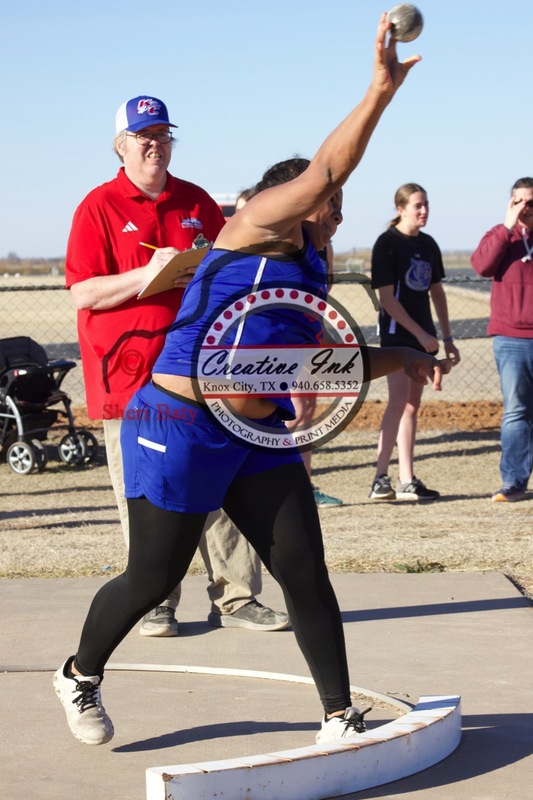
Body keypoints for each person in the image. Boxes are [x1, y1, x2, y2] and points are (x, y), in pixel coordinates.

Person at [55, 15, 450, 747]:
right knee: (151, 578)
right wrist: (378, 92)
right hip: (176, 423)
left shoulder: (311, 265)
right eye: (326, 203)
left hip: (254, 433)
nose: (336, 210)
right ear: (293, 200)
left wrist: (402, 355)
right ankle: (79, 673)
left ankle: (339, 717)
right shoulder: (258, 224)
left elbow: (303, 366)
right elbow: (328, 168)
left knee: (304, 567)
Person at [65, 94, 288, 637]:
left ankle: (236, 597)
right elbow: (83, 293)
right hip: (130, 377)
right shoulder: (97, 207)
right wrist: (148, 274)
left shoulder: (195, 201)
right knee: (145, 495)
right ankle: (155, 598)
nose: (155, 145)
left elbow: (232, 261)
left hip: (202, 371)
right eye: (144, 136)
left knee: (222, 482)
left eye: (163, 135)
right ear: (121, 146)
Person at [237, 179, 343, 507]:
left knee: (305, 409)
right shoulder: (250, 247)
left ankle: (302, 484)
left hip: (302, 336)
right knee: (289, 412)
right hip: (259, 354)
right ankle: (275, 482)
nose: (337, 218)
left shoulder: (318, 248)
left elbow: (320, 291)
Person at [368, 183, 460, 502]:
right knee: (397, 401)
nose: (423, 211)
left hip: (424, 336)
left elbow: (436, 292)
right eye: (417, 205)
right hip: (398, 335)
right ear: (400, 208)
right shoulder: (387, 243)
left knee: (412, 405)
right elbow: (387, 299)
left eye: (426, 205)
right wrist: (418, 335)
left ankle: (407, 479)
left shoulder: (428, 244)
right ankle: (380, 477)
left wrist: (446, 337)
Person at [471, 178, 533, 502]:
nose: (525, 208)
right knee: (516, 411)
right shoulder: (500, 235)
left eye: (530, 202)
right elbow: (481, 265)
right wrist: (507, 226)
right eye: (518, 201)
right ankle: (513, 481)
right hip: (511, 338)